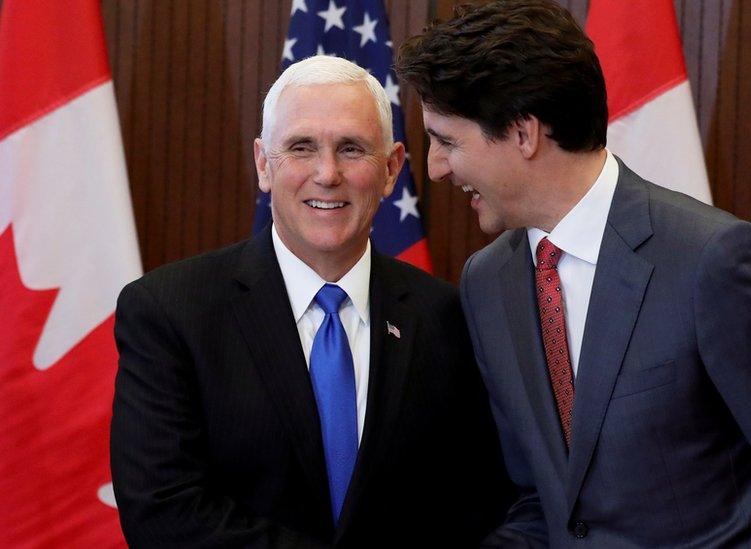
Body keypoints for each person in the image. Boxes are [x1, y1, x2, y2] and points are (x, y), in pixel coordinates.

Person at [396, 2, 751, 547]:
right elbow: (539, 500)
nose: (436, 167)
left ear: (523, 133)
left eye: (447, 141)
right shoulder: (487, 282)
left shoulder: (713, 262)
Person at [110, 55, 511, 548]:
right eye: (301, 147)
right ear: (263, 164)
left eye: (351, 149)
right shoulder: (170, 311)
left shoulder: (450, 317)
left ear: (391, 170)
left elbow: (481, 502)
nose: (327, 173)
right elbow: (164, 512)